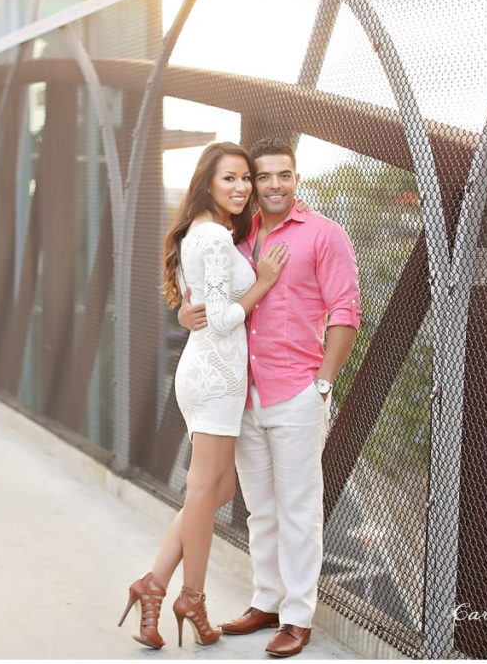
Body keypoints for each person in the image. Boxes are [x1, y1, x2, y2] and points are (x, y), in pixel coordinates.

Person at [178, 138, 361, 657]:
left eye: (284, 174)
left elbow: (345, 312)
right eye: (263, 176)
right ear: (253, 184)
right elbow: (207, 298)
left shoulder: (325, 235)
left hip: (297, 392)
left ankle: (298, 617)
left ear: (296, 179)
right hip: (243, 396)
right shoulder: (239, 235)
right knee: (260, 509)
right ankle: (267, 602)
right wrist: (183, 314)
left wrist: (322, 383)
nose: (272, 184)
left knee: (300, 509)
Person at [119, 142, 289, 650]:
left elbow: (194, 306)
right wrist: (263, 283)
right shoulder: (213, 236)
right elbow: (219, 320)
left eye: (245, 180)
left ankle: (153, 583)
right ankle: (190, 595)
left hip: (214, 373)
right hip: (214, 375)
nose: (241, 189)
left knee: (217, 492)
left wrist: (191, 311)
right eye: (229, 180)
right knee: (203, 490)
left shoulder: (205, 232)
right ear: (207, 184)